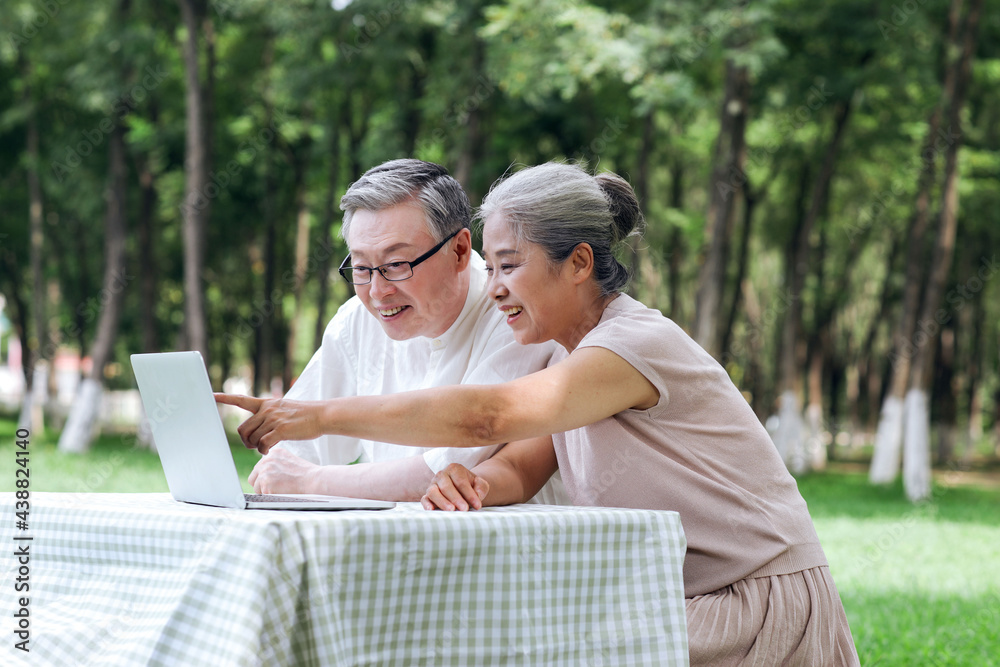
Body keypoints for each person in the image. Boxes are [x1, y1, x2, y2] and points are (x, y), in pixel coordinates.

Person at [218, 162, 859, 665]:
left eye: (510, 266)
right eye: (491, 267)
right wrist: (475, 483)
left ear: (579, 262)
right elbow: (523, 466)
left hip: (750, 602)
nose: (493, 286)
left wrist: (323, 416)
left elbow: (488, 419)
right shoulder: (565, 354)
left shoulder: (631, 347)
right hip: (675, 595)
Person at [241, 158, 565, 504]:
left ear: (458, 250)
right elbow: (292, 452)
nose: (378, 292)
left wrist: (313, 481)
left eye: (396, 264)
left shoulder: (515, 312)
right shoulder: (357, 320)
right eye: (362, 267)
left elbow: (444, 471)